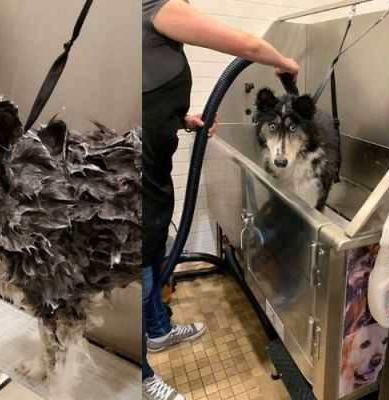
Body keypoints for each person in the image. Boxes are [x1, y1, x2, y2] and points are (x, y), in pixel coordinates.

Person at [142, 1, 300, 399]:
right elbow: (247, 45)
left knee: (153, 255)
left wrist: (184, 119)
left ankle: (158, 332)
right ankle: (141, 376)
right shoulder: (155, 7)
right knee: (139, 273)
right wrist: (283, 62)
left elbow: (144, 92)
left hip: (152, 170)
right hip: (134, 175)